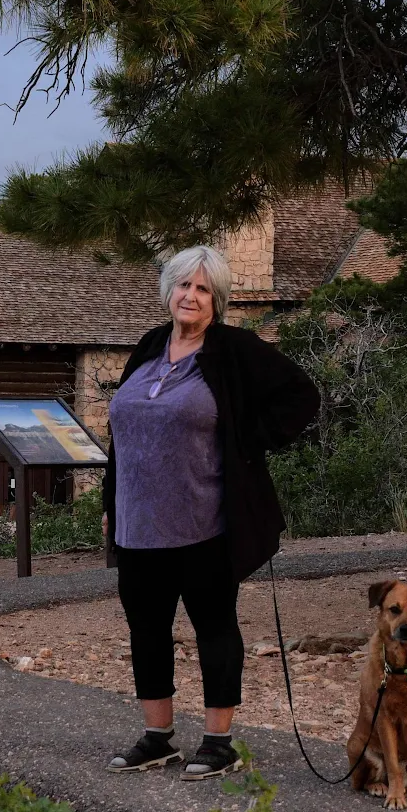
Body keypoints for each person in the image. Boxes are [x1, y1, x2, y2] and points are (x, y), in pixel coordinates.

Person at [102, 245, 320, 780]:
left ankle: (218, 742)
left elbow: (301, 395)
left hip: (205, 523)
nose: (191, 296)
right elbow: (121, 435)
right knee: (146, 629)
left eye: (203, 289)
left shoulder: (233, 350)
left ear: (216, 300)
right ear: (168, 290)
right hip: (138, 525)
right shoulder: (149, 347)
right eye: (184, 285)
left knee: (214, 629)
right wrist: (110, 503)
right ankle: (157, 737)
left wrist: (247, 442)